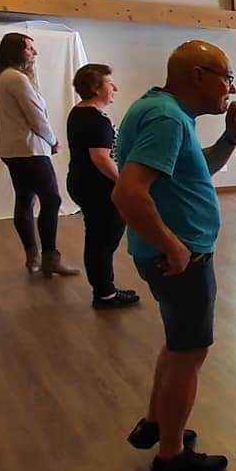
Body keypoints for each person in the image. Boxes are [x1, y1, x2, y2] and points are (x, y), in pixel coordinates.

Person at [113, 40, 236, 471]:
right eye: (227, 77)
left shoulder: (166, 112)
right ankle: (171, 457)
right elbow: (128, 192)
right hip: (180, 260)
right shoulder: (168, 118)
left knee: (178, 345)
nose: (231, 87)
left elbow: (196, 170)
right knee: (190, 354)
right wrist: (172, 245)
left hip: (170, 256)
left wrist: (231, 138)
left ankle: (158, 422)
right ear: (197, 75)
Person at [0, 32, 79, 278]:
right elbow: (36, 116)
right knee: (51, 200)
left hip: (11, 149)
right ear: (16, 51)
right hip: (29, 150)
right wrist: (53, 140)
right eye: (29, 48)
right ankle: (50, 257)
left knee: (25, 199)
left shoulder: (2, 76)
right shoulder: (17, 78)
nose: (34, 53)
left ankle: (33, 256)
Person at [66, 64, 139, 309]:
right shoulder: (95, 120)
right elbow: (101, 158)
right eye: (109, 83)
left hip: (83, 184)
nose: (115, 87)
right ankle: (105, 294)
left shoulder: (79, 112)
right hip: (97, 189)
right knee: (103, 240)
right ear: (96, 88)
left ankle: (104, 289)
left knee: (98, 238)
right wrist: (124, 182)